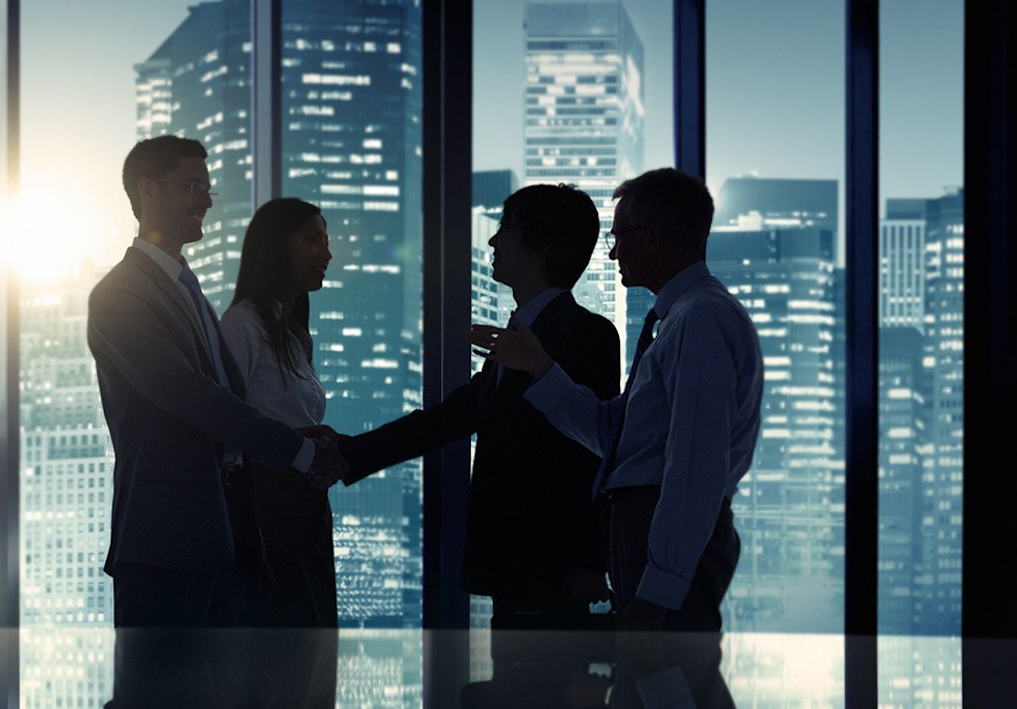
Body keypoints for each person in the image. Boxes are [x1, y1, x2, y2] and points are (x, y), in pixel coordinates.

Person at [87, 136, 348, 706]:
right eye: (191, 186)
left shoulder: (190, 289)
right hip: (165, 538)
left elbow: (226, 396)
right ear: (147, 191)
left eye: (207, 187)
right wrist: (297, 452)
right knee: (156, 696)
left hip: (224, 537)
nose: (205, 199)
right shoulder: (119, 294)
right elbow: (187, 394)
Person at [473, 167, 764, 646]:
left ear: (653, 238)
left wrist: (659, 589)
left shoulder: (699, 321)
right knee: (664, 686)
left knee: (671, 683)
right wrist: (542, 371)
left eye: (620, 236)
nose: (611, 251)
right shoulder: (681, 319)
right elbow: (618, 436)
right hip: (648, 533)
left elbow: (694, 467)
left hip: (659, 536)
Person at [338, 183, 622, 632]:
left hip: (549, 568)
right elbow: (452, 417)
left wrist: (587, 560)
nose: (493, 241)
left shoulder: (587, 333)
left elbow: (590, 451)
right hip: (512, 562)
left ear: (543, 243)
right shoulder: (514, 338)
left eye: (506, 228)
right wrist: (347, 451)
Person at [218, 198, 341, 707]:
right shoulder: (243, 326)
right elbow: (226, 428)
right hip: (269, 513)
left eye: (327, 240)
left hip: (306, 510)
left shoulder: (290, 332)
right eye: (313, 239)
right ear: (277, 246)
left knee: (312, 654)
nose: (326, 252)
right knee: (285, 660)